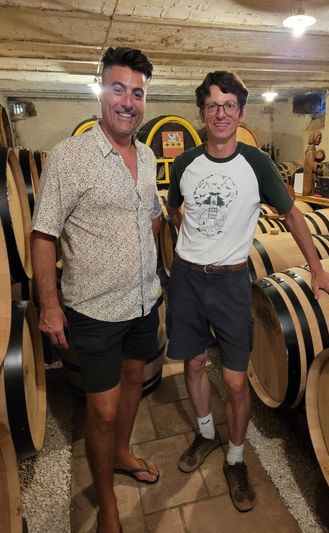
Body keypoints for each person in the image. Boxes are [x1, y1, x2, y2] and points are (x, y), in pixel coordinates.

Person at [166, 71, 329, 513]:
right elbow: (173, 210)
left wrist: (318, 269)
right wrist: (189, 246)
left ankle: (235, 456)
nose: (221, 113)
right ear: (202, 113)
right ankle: (207, 433)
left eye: (229, 105)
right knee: (192, 362)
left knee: (233, 379)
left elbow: (294, 217)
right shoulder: (184, 163)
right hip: (188, 278)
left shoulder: (257, 164)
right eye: (212, 106)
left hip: (230, 282)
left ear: (241, 112)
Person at [31, 47, 162, 533]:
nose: (127, 101)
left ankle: (124, 454)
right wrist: (50, 306)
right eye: (118, 89)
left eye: (137, 92)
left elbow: (150, 217)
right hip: (96, 310)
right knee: (102, 411)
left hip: (144, 301)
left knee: (134, 384)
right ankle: (106, 502)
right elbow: (43, 235)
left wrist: (150, 269)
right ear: (102, 91)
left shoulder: (147, 156)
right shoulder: (70, 156)